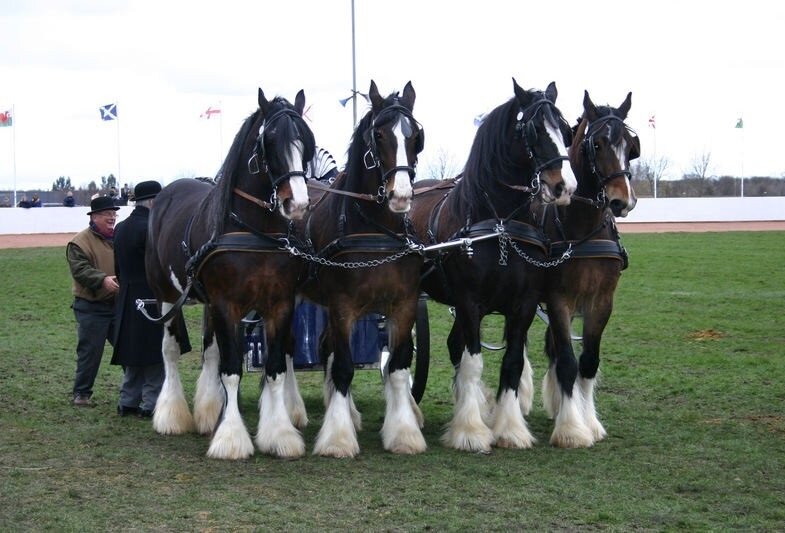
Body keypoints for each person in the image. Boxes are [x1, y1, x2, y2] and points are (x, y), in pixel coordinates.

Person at [110, 181, 165, 418]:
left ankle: (128, 401)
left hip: (128, 294)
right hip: (151, 296)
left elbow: (118, 268)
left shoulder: (121, 227)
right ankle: (151, 404)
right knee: (155, 354)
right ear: (153, 202)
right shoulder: (153, 228)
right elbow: (161, 266)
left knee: (133, 353)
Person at [66, 196, 120, 406]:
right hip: (91, 307)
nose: (112, 218)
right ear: (94, 216)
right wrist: (102, 280)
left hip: (117, 305)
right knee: (90, 352)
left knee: (128, 348)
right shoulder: (79, 242)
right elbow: (80, 270)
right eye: (107, 214)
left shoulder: (118, 237)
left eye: (114, 214)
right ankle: (82, 393)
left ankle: (135, 391)